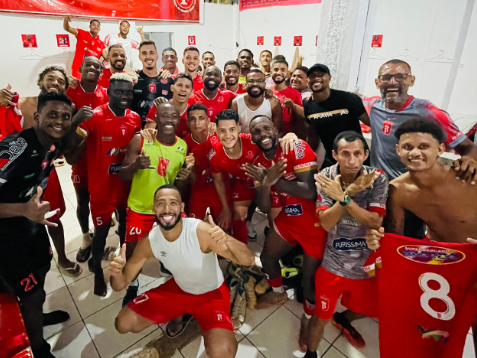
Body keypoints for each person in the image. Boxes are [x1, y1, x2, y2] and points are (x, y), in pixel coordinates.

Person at [365, 118, 477, 358]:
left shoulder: (469, 177)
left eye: (424, 146)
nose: (415, 153)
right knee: (442, 328)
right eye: (407, 147)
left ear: (441, 149)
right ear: (397, 150)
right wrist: (377, 239)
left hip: (474, 260)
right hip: (444, 264)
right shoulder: (397, 189)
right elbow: (395, 239)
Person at [111, 184, 255, 358]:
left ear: (182, 207)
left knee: (223, 353)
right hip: (179, 290)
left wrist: (227, 239)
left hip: (212, 294)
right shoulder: (149, 242)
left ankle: (225, 298)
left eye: (173, 203)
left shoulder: (201, 230)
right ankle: (185, 314)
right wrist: (117, 273)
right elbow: (120, 284)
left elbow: (248, 260)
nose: (167, 209)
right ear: (153, 209)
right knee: (123, 323)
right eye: (161, 203)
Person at [0, 93, 86, 358]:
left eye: (65, 116)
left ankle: (35, 314)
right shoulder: (14, 147)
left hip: (32, 226)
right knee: (29, 293)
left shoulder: (53, 143)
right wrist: (23, 209)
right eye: (52, 115)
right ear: (36, 117)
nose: (59, 121)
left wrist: (77, 122)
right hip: (6, 236)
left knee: (40, 274)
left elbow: (72, 149)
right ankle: (38, 347)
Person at [244, 115, 326, 353]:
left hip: (314, 225)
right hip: (287, 221)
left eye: (266, 128)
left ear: (276, 129)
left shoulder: (296, 147)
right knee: (268, 259)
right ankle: (278, 293)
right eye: (256, 131)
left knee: (308, 282)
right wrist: (266, 184)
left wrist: (273, 180)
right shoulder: (258, 161)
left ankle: (308, 318)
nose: (262, 134)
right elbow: (265, 206)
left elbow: (309, 191)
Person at [305, 131, 388, 357]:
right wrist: (348, 194)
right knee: (320, 318)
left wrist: (343, 197)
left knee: (378, 308)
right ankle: (311, 353)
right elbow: (325, 223)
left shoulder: (377, 178)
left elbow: (375, 220)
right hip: (333, 264)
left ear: (365, 155)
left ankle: (342, 318)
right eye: (345, 154)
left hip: (366, 265)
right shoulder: (326, 176)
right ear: (335, 155)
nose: (352, 160)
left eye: (357, 154)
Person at [0, 66, 84, 277]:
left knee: (52, 217)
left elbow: (68, 150)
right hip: (13, 178)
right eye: (50, 78)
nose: (55, 83)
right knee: (17, 224)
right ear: (40, 81)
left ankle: (62, 257)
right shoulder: (19, 103)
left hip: (45, 173)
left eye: (60, 81)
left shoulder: (65, 111)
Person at [66, 74, 142, 297]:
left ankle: (122, 259)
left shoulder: (135, 118)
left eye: (128, 92)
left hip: (126, 186)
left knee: (125, 228)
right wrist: (75, 121)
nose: (124, 96)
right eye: (119, 91)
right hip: (101, 189)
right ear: (109, 92)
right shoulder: (95, 116)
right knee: (100, 233)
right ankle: (98, 272)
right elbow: (71, 144)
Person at [119, 101, 190, 304]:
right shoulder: (140, 140)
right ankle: (132, 286)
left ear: (178, 120)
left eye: (173, 116)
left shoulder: (181, 146)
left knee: (175, 242)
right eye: (164, 116)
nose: (169, 120)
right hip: (139, 207)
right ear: (156, 119)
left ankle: (167, 265)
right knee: (134, 253)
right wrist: (135, 166)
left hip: (166, 208)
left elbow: (175, 185)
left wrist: (183, 179)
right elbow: (123, 175)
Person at [364, 59, 477, 182]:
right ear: (377, 82)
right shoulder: (373, 106)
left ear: (411, 80)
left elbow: (468, 147)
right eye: (386, 77)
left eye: (400, 77)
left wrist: (468, 160)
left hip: (412, 189)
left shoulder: (429, 112)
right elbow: (352, 98)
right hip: (378, 187)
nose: (392, 82)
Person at [66, 57, 109, 263]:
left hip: (102, 157)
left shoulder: (106, 93)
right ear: (80, 69)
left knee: (105, 198)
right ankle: (85, 236)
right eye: (88, 65)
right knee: (83, 200)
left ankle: (108, 231)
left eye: (97, 66)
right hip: (80, 158)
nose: (92, 68)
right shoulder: (69, 92)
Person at [304, 63, 370, 168]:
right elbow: (312, 134)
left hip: (356, 159)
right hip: (332, 160)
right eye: (312, 76)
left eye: (321, 75)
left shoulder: (348, 99)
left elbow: (371, 124)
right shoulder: (307, 104)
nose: (316, 78)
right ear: (307, 81)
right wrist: (309, 159)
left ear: (329, 78)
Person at [184, 103, 223, 220]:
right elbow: (192, 180)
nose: (197, 123)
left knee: (223, 230)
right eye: (192, 119)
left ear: (208, 121)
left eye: (201, 118)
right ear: (187, 123)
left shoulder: (220, 135)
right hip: (198, 192)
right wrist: (188, 169)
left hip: (221, 191)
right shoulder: (183, 144)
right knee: (194, 229)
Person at [131, 40, 173, 127]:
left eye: (151, 52)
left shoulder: (168, 80)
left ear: (157, 56)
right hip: (138, 132)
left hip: (162, 134)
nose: (148, 56)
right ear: (139, 56)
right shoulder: (133, 79)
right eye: (144, 53)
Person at [231, 69, 282, 134]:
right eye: (251, 81)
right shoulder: (236, 103)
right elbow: (231, 130)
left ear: (264, 84)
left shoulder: (274, 103)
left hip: (266, 143)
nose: (255, 84)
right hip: (243, 142)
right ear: (245, 84)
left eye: (259, 80)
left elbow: (278, 132)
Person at [145, 73, 194, 138]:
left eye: (187, 87)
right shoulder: (158, 107)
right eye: (179, 85)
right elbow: (148, 136)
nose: (183, 89)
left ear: (191, 92)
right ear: (172, 88)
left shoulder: (193, 114)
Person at [270, 56, 305, 136]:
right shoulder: (266, 92)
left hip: (288, 138)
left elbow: (301, 119)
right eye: (275, 69)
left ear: (287, 74)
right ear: (271, 72)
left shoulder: (295, 94)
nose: (279, 72)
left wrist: (293, 106)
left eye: (283, 70)